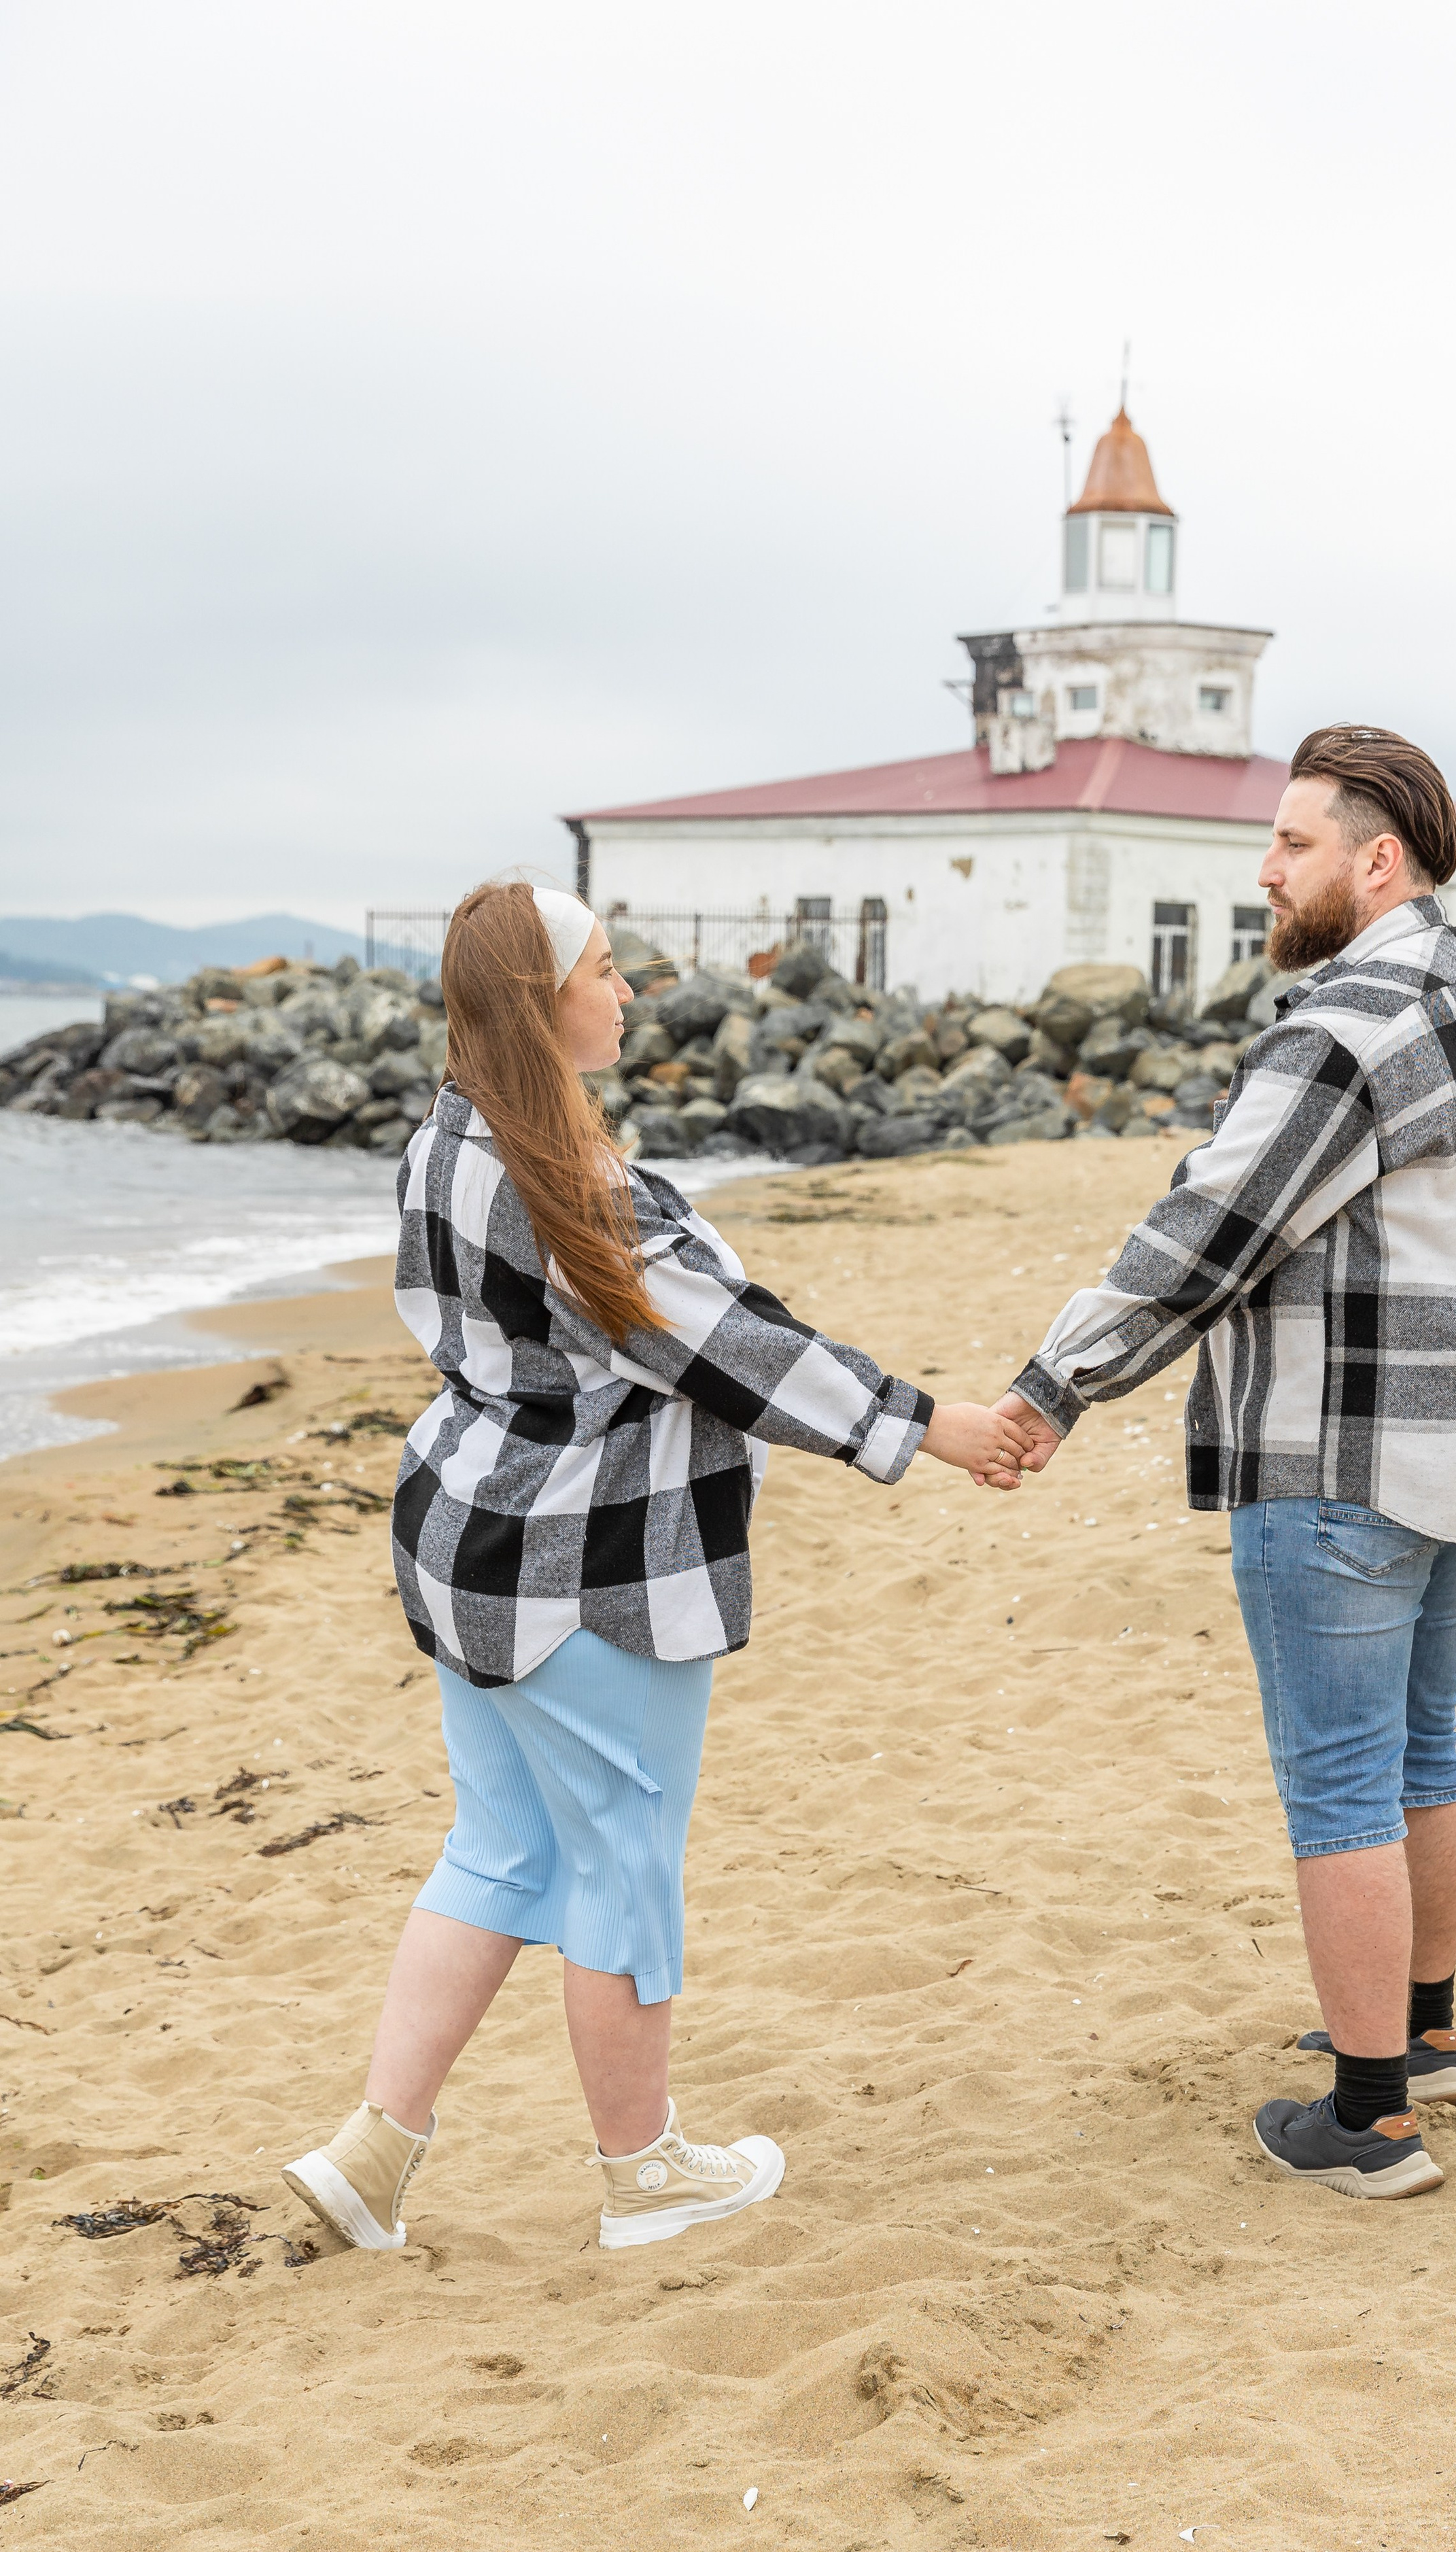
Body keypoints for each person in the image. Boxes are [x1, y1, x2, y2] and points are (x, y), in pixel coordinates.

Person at [283, 881, 1026, 2254]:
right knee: (620, 1861)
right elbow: (728, 1345)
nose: (627, 994)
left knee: (500, 1850)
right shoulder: (565, 1180)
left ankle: (373, 2150)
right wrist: (934, 1428)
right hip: (584, 1561)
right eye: (607, 971)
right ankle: (642, 2169)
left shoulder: (443, 1139)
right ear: (538, 999)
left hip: (467, 1538)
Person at [996, 725, 1456, 2201]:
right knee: (1418, 1747)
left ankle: (1367, 2119)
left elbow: (1207, 1228)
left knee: (1338, 1783)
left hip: (1339, 1461)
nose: (1264, 869)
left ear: (1372, 857)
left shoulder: (1346, 1023)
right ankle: (1422, 2030)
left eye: (1289, 843)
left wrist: (1049, 1387)